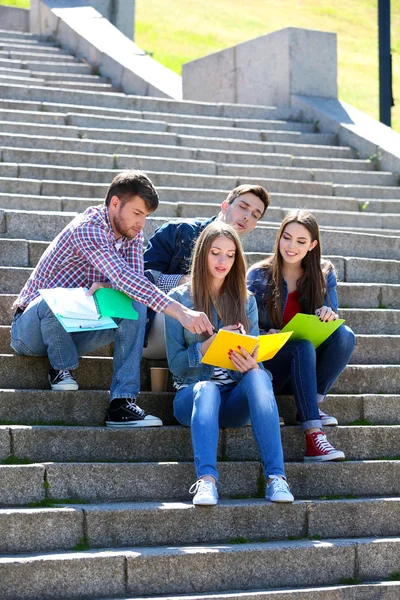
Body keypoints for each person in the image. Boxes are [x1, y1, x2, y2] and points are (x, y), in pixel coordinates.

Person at [10, 170, 213, 429]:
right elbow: (123, 276)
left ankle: (122, 403)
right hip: (30, 330)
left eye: (146, 217)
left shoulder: (132, 234)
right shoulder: (88, 227)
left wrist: (111, 285)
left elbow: (133, 283)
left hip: (76, 327)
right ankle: (61, 367)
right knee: (52, 299)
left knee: (135, 304)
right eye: (137, 213)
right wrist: (181, 312)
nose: (142, 224)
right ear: (115, 203)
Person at [165, 221, 294, 506]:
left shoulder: (245, 300)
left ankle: (276, 479)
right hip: (192, 397)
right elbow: (175, 366)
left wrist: (251, 364)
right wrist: (206, 347)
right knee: (207, 389)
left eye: (230, 254)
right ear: (202, 255)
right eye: (215, 253)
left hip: (234, 401)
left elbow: (255, 351)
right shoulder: (178, 301)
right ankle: (207, 482)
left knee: (261, 377)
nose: (223, 261)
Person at [247, 209, 356, 462]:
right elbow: (245, 328)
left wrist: (328, 313)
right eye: (286, 237)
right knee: (301, 346)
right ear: (279, 237)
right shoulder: (258, 275)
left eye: (301, 241)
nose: (291, 246)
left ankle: (311, 404)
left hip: (304, 364)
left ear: (313, 245)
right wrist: (265, 333)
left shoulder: (323, 273)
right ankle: (313, 437)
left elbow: (332, 327)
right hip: (270, 362)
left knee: (344, 335)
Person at [143, 184, 270, 359]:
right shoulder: (178, 232)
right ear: (225, 206)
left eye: (255, 215)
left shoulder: (235, 259)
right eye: (243, 207)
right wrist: (186, 282)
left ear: (254, 225)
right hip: (159, 329)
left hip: (207, 341)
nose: (247, 216)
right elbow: (140, 282)